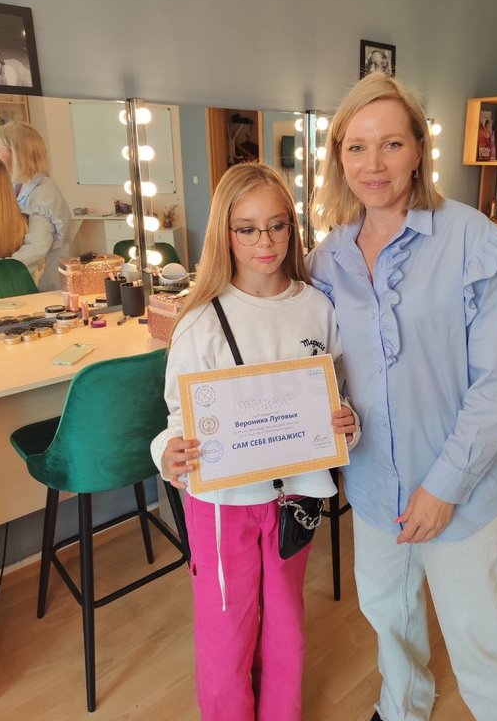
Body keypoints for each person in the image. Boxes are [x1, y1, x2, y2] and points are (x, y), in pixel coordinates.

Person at [307, 73, 497, 721]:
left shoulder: (470, 238)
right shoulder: (328, 258)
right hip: (374, 487)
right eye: (357, 147)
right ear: (338, 155)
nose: (374, 164)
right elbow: (329, 369)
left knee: (484, 648)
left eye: (391, 144)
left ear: (419, 150)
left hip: (460, 489)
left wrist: (443, 487)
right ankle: (403, 706)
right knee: (388, 617)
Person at [151, 162, 358, 721]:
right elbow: (178, 418)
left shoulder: (317, 307)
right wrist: (167, 452)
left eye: (277, 225)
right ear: (225, 233)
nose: (264, 242)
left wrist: (348, 423)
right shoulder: (199, 320)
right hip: (223, 503)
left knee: (287, 625)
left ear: (292, 227)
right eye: (246, 229)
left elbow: (338, 395)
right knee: (226, 631)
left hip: (297, 496)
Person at [0, 121, 70, 291]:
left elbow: (36, 248)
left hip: (44, 286)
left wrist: (4, 270)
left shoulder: (45, 192)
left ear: (16, 153)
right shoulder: (15, 188)